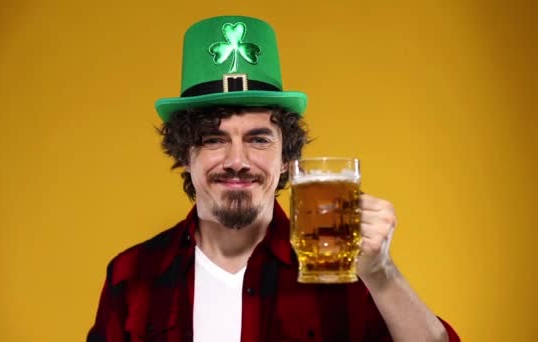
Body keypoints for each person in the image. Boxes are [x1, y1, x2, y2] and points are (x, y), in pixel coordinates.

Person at [87, 15, 459, 342]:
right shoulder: (131, 275)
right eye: (214, 139)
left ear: (287, 158)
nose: (237, 160)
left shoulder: (341, 268)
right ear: (186, 154)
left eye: (258, 139)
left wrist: (381, 272)